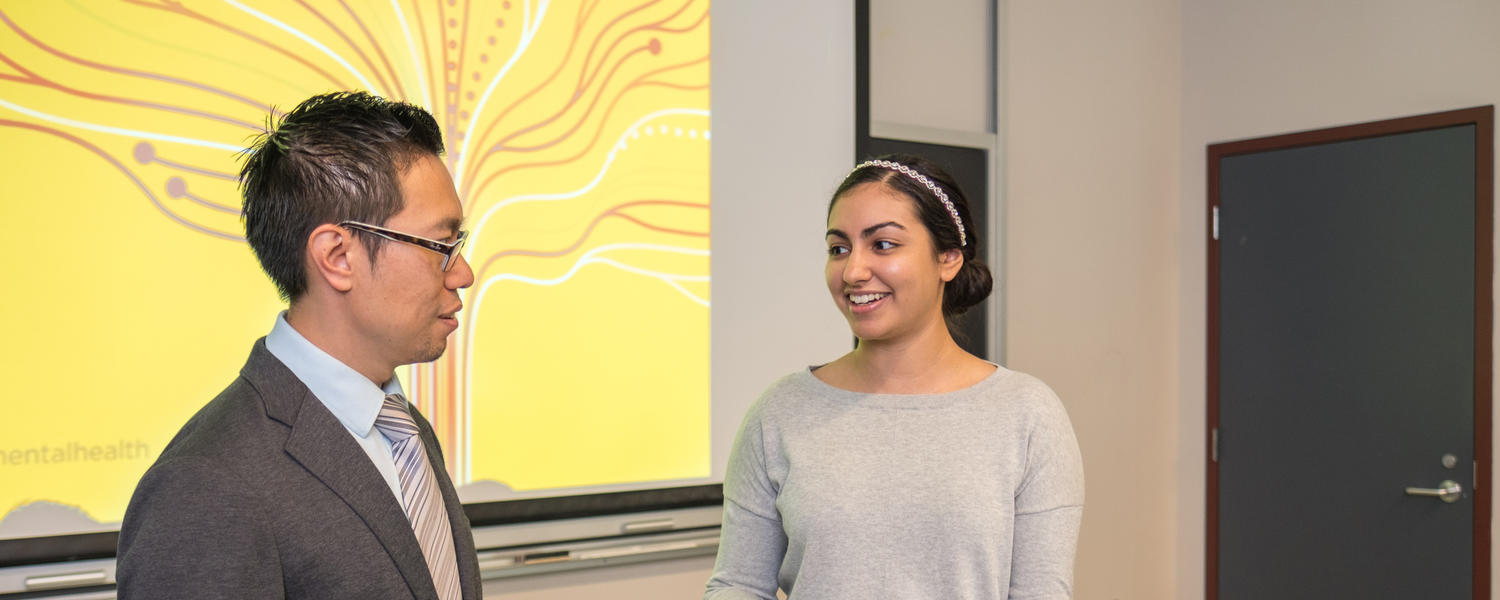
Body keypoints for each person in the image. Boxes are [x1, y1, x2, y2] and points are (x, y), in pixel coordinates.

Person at [117, 91, 482, 599]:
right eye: (442, 246)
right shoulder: (205, 486)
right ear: (337, 256)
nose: (462, 273)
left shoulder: (403, 430)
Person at [704, 155, 1084, 599]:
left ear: (948, 259)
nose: (853, 271)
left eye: (882, 244)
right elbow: (739, 585)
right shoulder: (780, 412)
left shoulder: (1028, 414)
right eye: (838, 248)